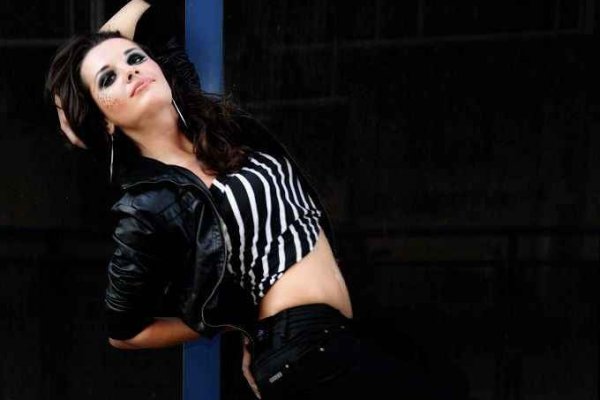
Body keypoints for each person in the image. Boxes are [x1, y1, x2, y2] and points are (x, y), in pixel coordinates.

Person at [46, 1, 445, 399]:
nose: (130, 71)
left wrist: (80, 75)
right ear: (104, 120)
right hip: (300, 351)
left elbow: (139, 9)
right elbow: (123, 331)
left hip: (335, 338)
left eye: (135, 58)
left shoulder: (215, 130)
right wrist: (232, 323)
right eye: (108, 79)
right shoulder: (147, 205)